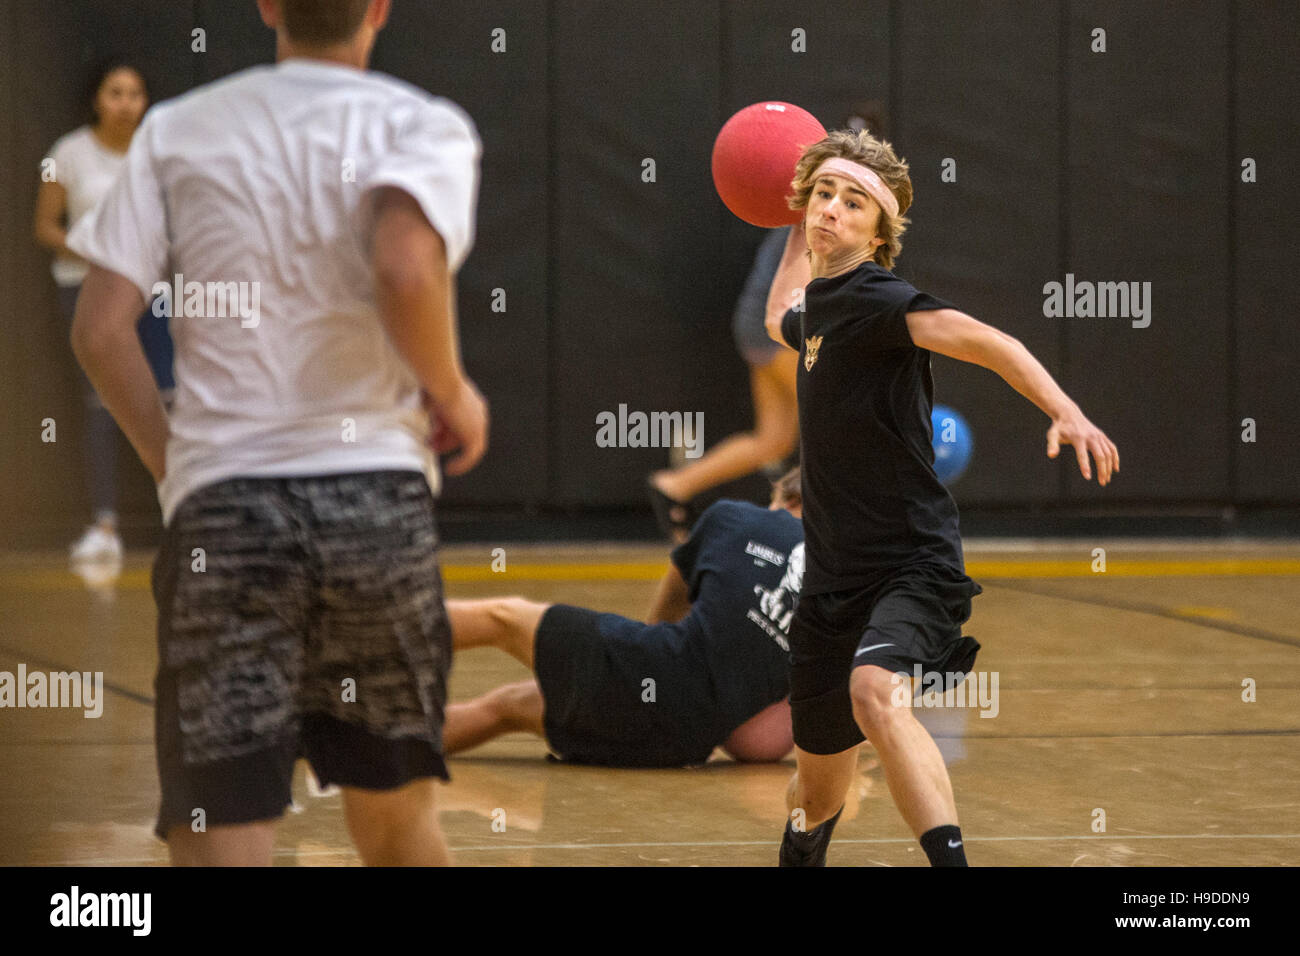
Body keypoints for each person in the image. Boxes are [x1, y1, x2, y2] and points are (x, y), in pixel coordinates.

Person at [65, 0, 486, 866]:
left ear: (267, 5)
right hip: (376, 495)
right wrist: (453, 391)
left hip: (225, 506)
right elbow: (406, 266)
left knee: (224, 820)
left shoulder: (178, 127)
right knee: (397, 819)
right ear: (379, 7)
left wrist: (174, 466)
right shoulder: (422, 122)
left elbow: (100, 330)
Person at [768, 129, 1120, 866]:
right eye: (824, 194)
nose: (833, 208)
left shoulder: (878, 297)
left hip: (910, 563)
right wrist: (789, 222)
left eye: (852, 200)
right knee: (815, 795)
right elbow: (781, 319)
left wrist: (1065, 410)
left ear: (879, 229)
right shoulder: (823, 310)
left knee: (876, 691)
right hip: (831, 582)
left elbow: (988, 342)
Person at [647, 101, 893, 542]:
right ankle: (820, 528)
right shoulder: (837, 204)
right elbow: (825, 285)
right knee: (835, 423)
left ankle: (675, 487)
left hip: (763, 323)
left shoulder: (825, 195)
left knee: (775, 440)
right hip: (778, 325)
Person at [445, 468, 805, 766]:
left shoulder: (735, 516)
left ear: (787, 499)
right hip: (679, 746)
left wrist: (650, 649)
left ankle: (391, 632)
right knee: (508, 708)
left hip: (648, 671)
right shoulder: (841, 590)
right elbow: (766, 742)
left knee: (502, 617)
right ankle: (396, 747)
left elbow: (676, 593)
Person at [34, 59, 174, 564]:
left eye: (135, 93)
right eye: (115, 92)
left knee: (171, 399)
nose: (126, 103)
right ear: (97, 98)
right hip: (86, 289)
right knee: (102, 406)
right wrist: (99, 252)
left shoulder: (158, 151)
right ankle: (104, 525)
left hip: (153, 293)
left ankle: (185, 518)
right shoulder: (66, 154)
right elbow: (45, 227)